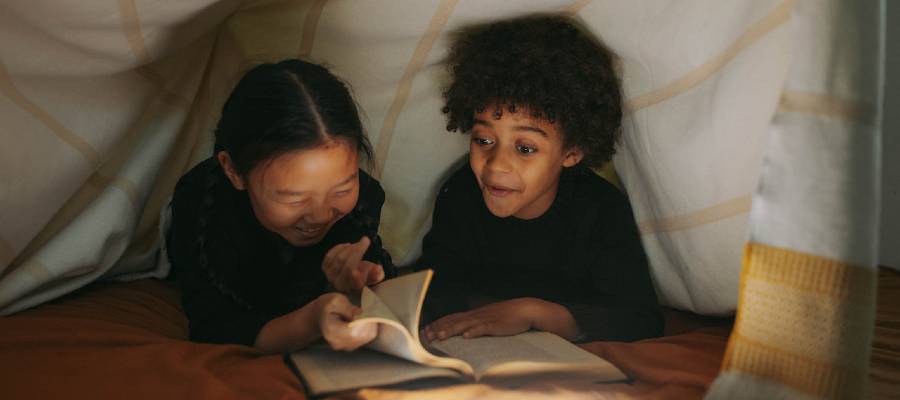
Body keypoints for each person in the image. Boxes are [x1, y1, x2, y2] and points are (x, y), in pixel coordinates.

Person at [414, 14, 663, 343]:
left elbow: (639, 318)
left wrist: (534, 313)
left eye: (526, 148)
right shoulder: (460, 195)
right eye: (483, 140)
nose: (496, 166)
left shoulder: (601, 213)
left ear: (572, 152)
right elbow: (435, 284)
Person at [167, 59, 395, 354]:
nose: (321, 215)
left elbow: (374, 270)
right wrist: (311, 321)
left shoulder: (363, 200)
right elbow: (216, 326)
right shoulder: (203, 205)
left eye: (343, 188)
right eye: (293, 198)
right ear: (234, 170)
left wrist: (365, 282)